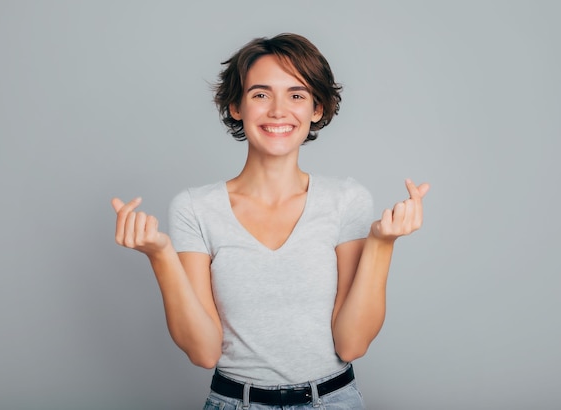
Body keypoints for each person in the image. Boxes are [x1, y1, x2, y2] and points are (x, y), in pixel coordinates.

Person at [112, 33, 429, 409]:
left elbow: (352, 344)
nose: (279, 110)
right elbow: (204, 353)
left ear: (316, 109)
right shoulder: (195, 207)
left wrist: (381, 244)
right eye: (260, 94)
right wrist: (160, 255)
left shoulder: (347, 200)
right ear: (235, 106)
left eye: (296, 95)